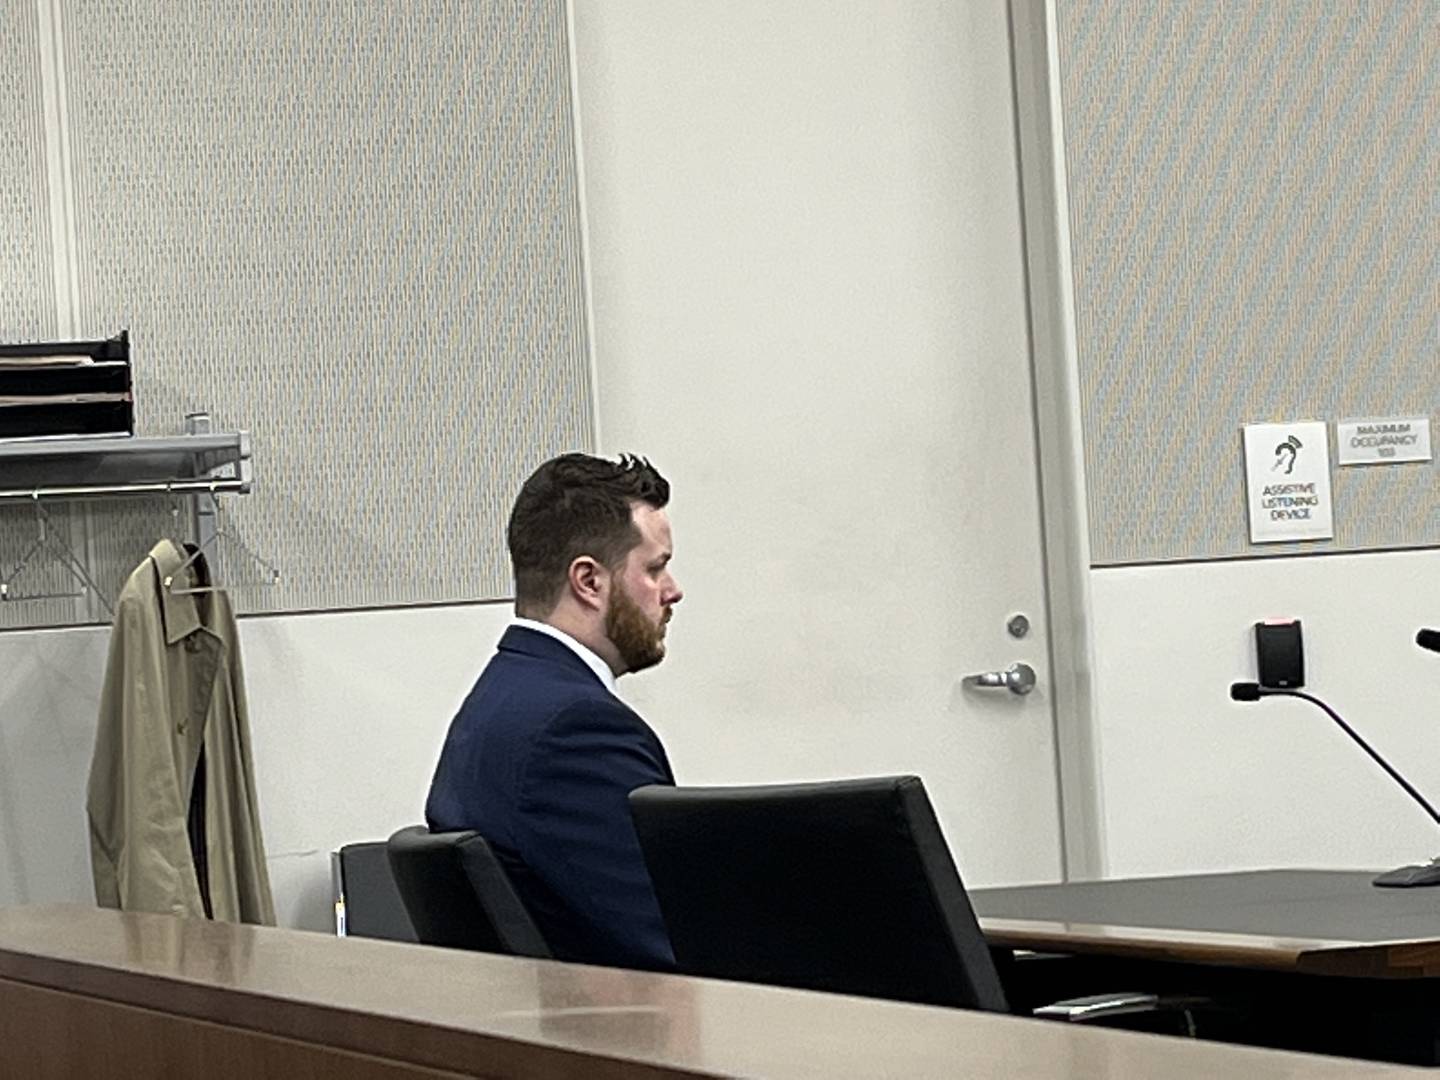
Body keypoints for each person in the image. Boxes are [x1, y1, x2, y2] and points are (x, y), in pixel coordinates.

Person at [425, 452, 684, 970]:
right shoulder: (577, 730)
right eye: (655, 568)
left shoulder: (497, 700)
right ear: (589, 581)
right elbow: (672, 946)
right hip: (620, 1038)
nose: (673, 590)